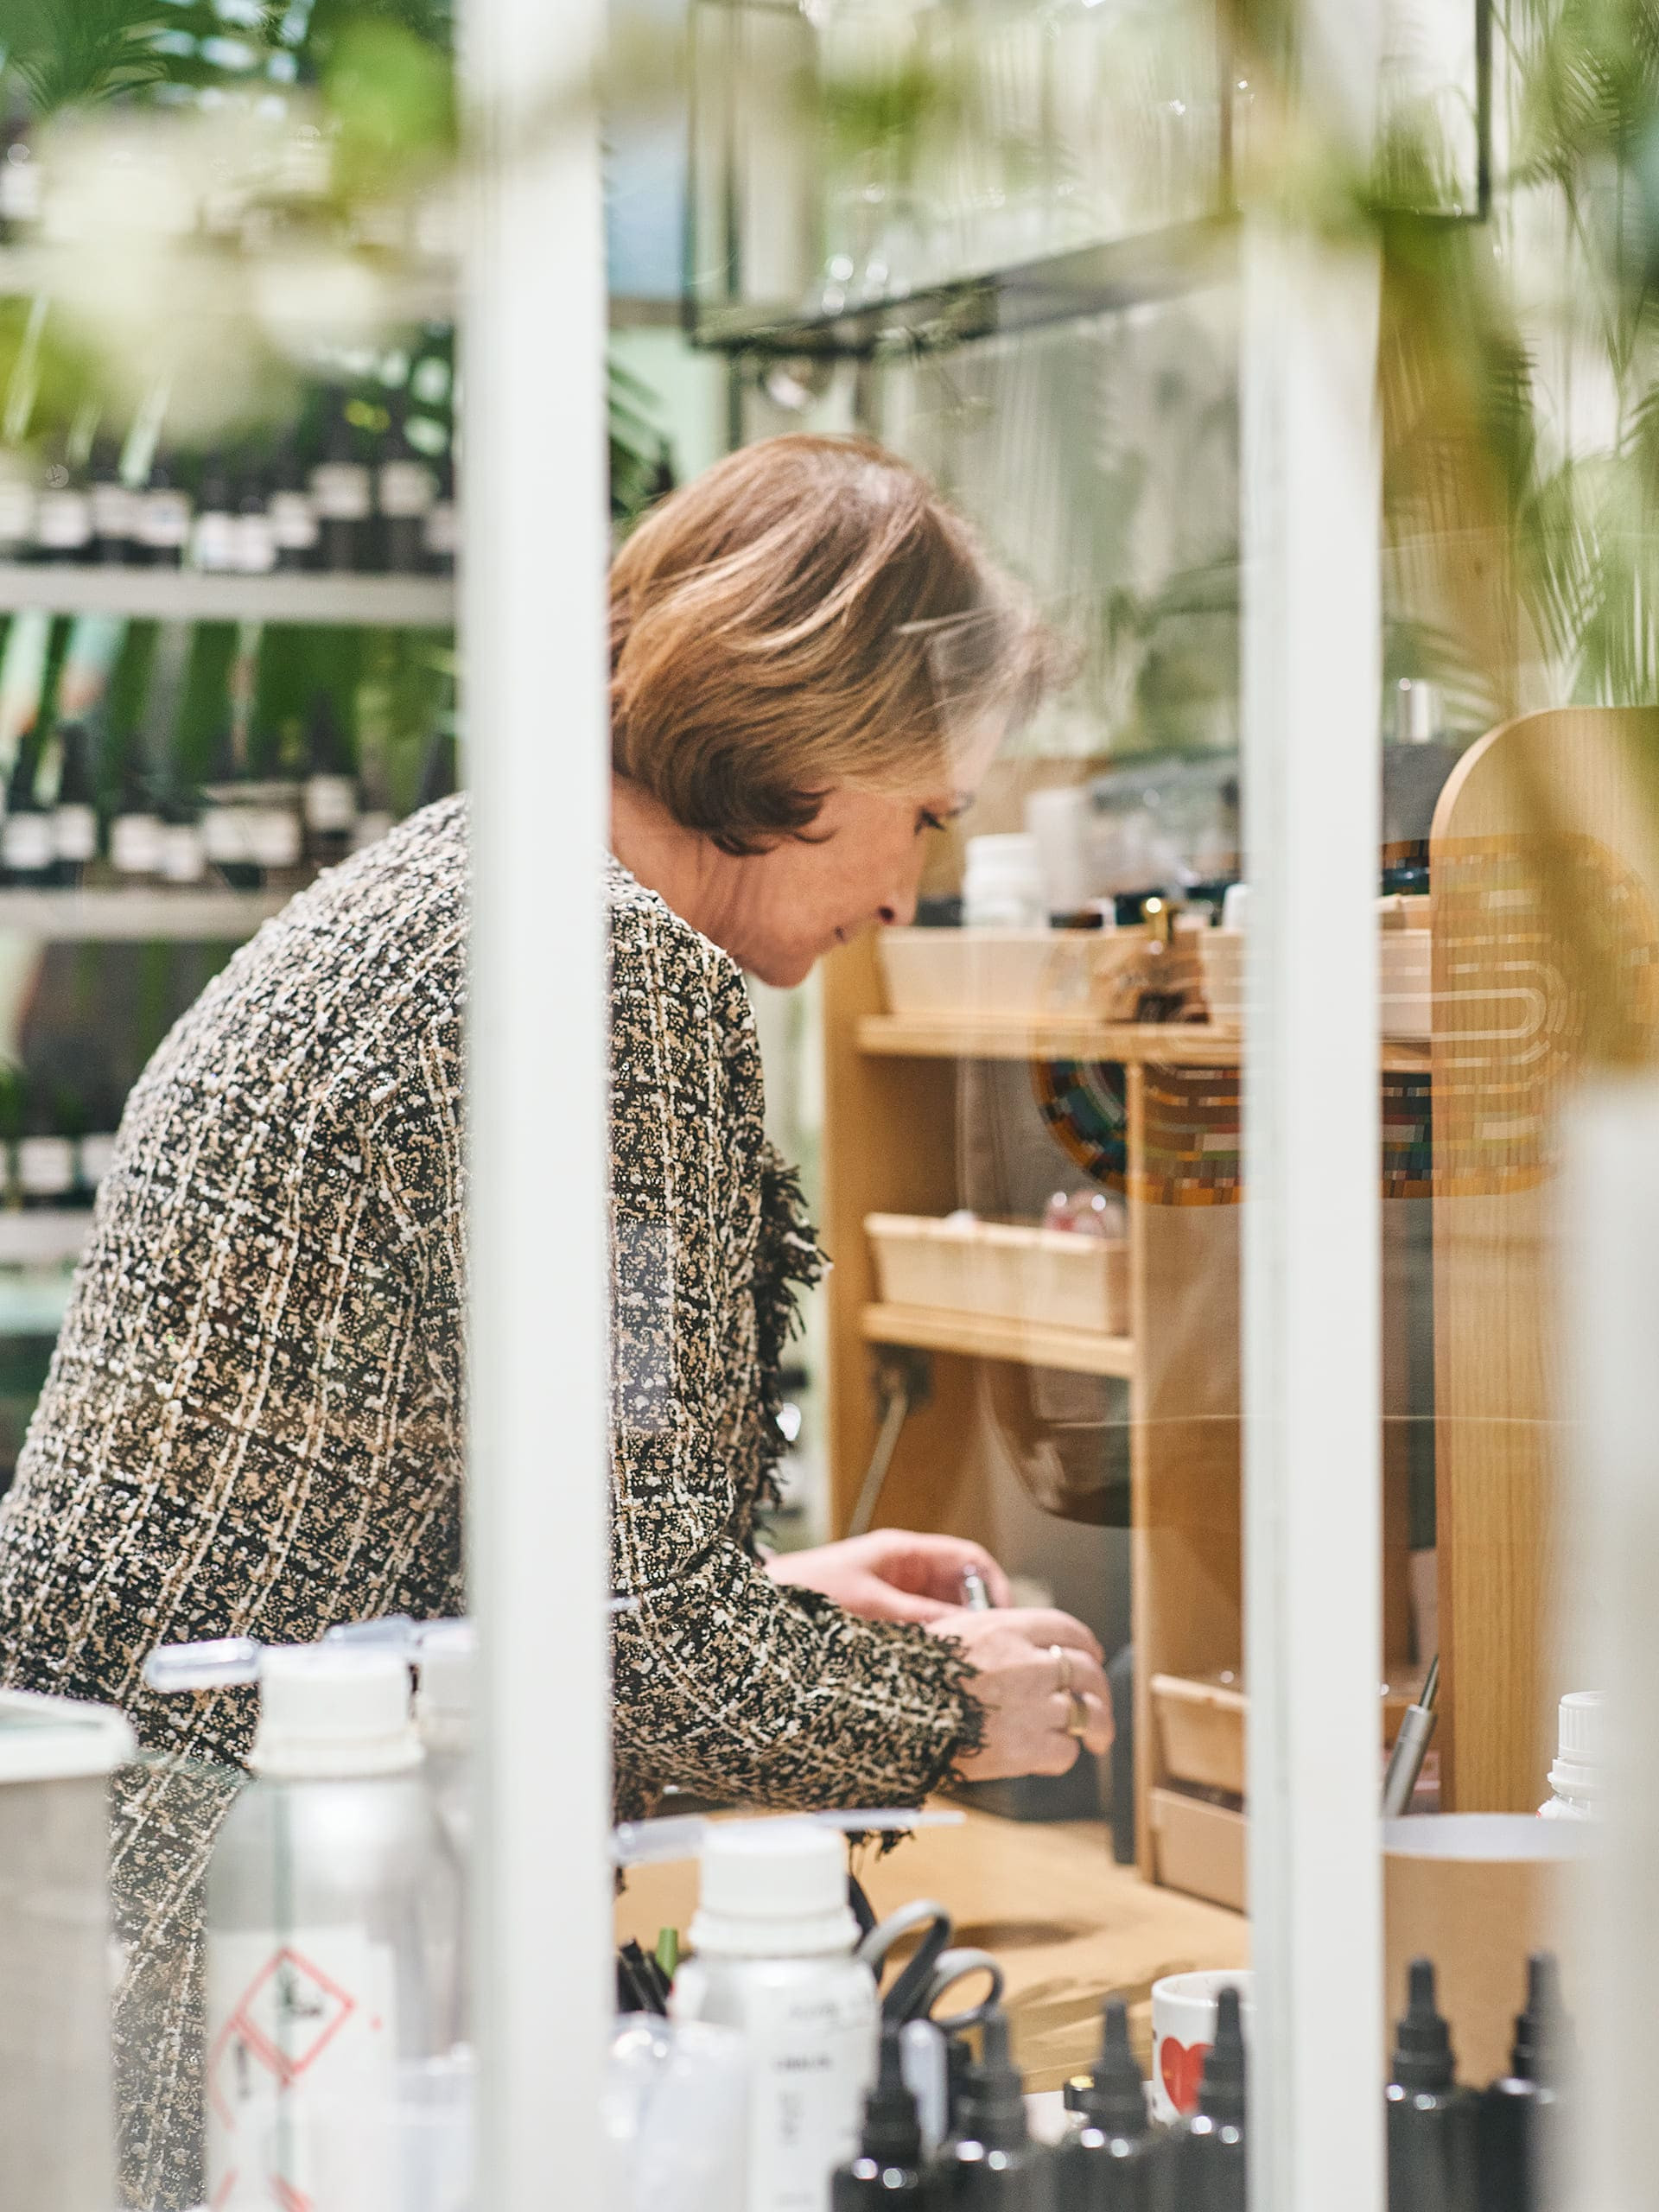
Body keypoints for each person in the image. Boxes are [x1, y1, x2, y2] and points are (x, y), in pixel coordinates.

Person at [0, 432, 1109, 2205]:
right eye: (929, 816)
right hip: (249, 1953)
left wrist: (783, 1607)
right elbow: (646, 1648)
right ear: (816, 723)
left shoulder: (468, 886)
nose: (910, 891)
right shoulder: (612, 971)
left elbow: (501, 1563)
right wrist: (950, 1697)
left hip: (113, 1900)